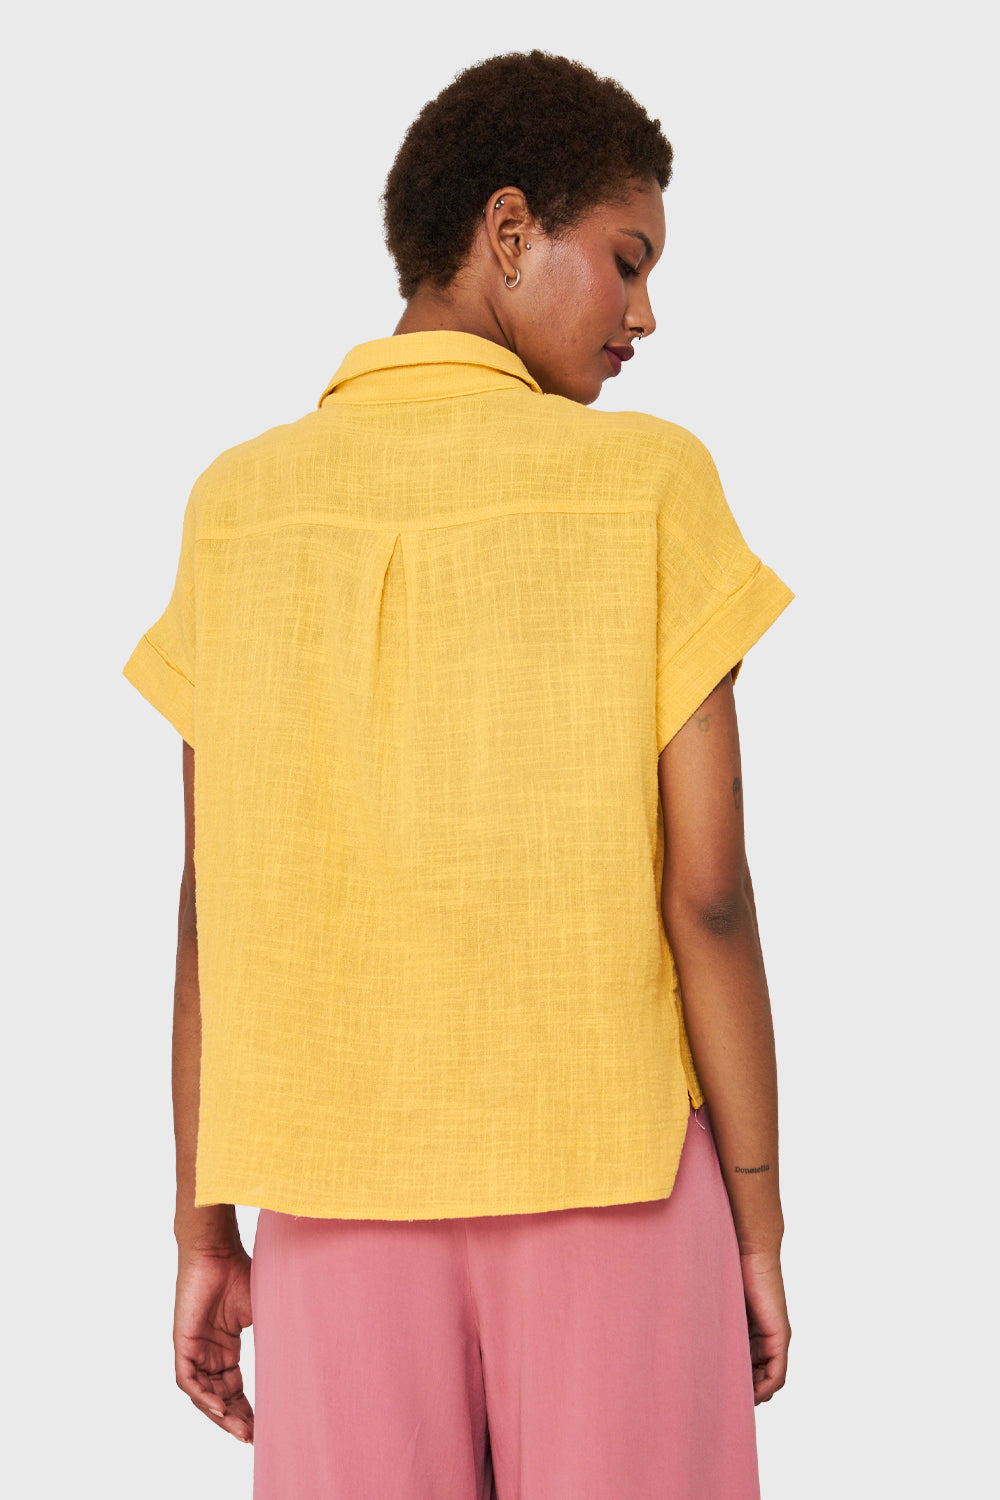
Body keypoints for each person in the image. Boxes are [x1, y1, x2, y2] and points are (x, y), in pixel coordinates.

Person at [123, 49, 794, 1499]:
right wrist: (757, 1224)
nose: (644, 313)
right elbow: (710, 900)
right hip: (616, 1187)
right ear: (507, 230)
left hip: (332, 1208)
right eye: (628, 260)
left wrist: (202, 1228)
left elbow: (211, 909)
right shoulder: (647, 483)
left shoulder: (238, 507)